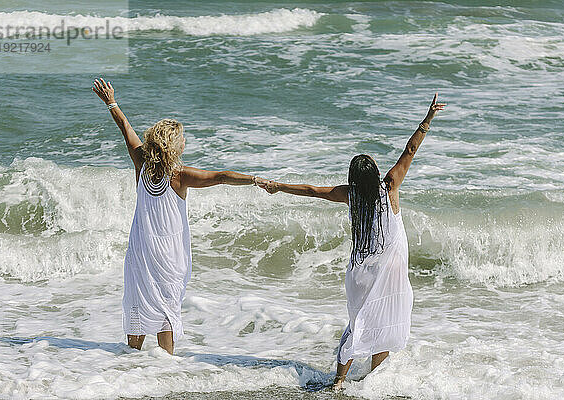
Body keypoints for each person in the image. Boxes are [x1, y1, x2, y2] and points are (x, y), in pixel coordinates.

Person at [258, 94, 446, 389]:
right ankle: (373, 381)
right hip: (390, 274)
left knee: (358, 324)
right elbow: (410, 150)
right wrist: (428, 118)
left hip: (360, 274)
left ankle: (339, 380)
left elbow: (312, 190)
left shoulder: (350, 195)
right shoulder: (390, 187)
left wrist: (278, 186)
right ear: (374, 174)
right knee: (383, 323)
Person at [92, 78, 267, 354]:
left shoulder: (142, 163)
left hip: (141, 251)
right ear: (175, 146)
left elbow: (125, 128)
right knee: (166, 309)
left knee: (138, 304)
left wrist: (111, 102)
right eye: (182, 138)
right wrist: (255, 180)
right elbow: (220, 177)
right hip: (169, 256)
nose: (185, 141)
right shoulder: (179, 176)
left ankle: (127, 364)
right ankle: (166, 367)